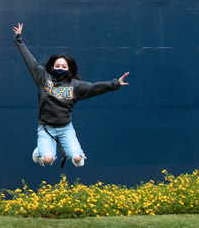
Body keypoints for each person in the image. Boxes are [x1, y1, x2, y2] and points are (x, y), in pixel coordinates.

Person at [12, 23, 130, 168]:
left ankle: (48, 150)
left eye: (64, 67)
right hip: (46, 128)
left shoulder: (75, 86)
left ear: (69, 69)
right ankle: (40, 152)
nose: (60, 68)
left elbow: (95, 87)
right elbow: (30, 61)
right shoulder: (43, 79)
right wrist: (18, 39)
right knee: (47, 159)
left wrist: (116, 83)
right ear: (51, 68)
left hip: (65, 128)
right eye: (57, 66)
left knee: (78, 161)